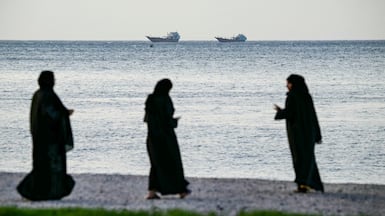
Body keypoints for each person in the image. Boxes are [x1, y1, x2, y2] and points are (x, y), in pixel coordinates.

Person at [17, 71, 75, 200]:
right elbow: (50, 114)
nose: (55, 81)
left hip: (40, 138)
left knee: (41, 165)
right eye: (53, 79)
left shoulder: (38, 94)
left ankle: (37, 191)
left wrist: (63, 113)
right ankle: (44, 191)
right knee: (49, 166)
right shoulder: (47, 95)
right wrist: (64, 114)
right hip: (50, 140)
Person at [274, 74, 324, 193]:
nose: (287, 86)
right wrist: (318, 134)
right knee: (309, 159)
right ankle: (314, 184)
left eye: (288, 83)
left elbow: (290, 113)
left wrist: (279, 112)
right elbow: (313, 116)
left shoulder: (292, 96)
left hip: (297, 133)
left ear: (293, 84)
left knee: (299, 158)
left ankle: (302, 185)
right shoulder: (307, 96)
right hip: (309, 133)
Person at [144, 79, 190, 199]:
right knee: (173, 163)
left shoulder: (150, 99)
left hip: (152, 137)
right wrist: (175, 121)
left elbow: (148, 119)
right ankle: (181, 191)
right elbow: (166, 119)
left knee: (155, 165)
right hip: (166, 137)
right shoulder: (165, 99)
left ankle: (152, 192)